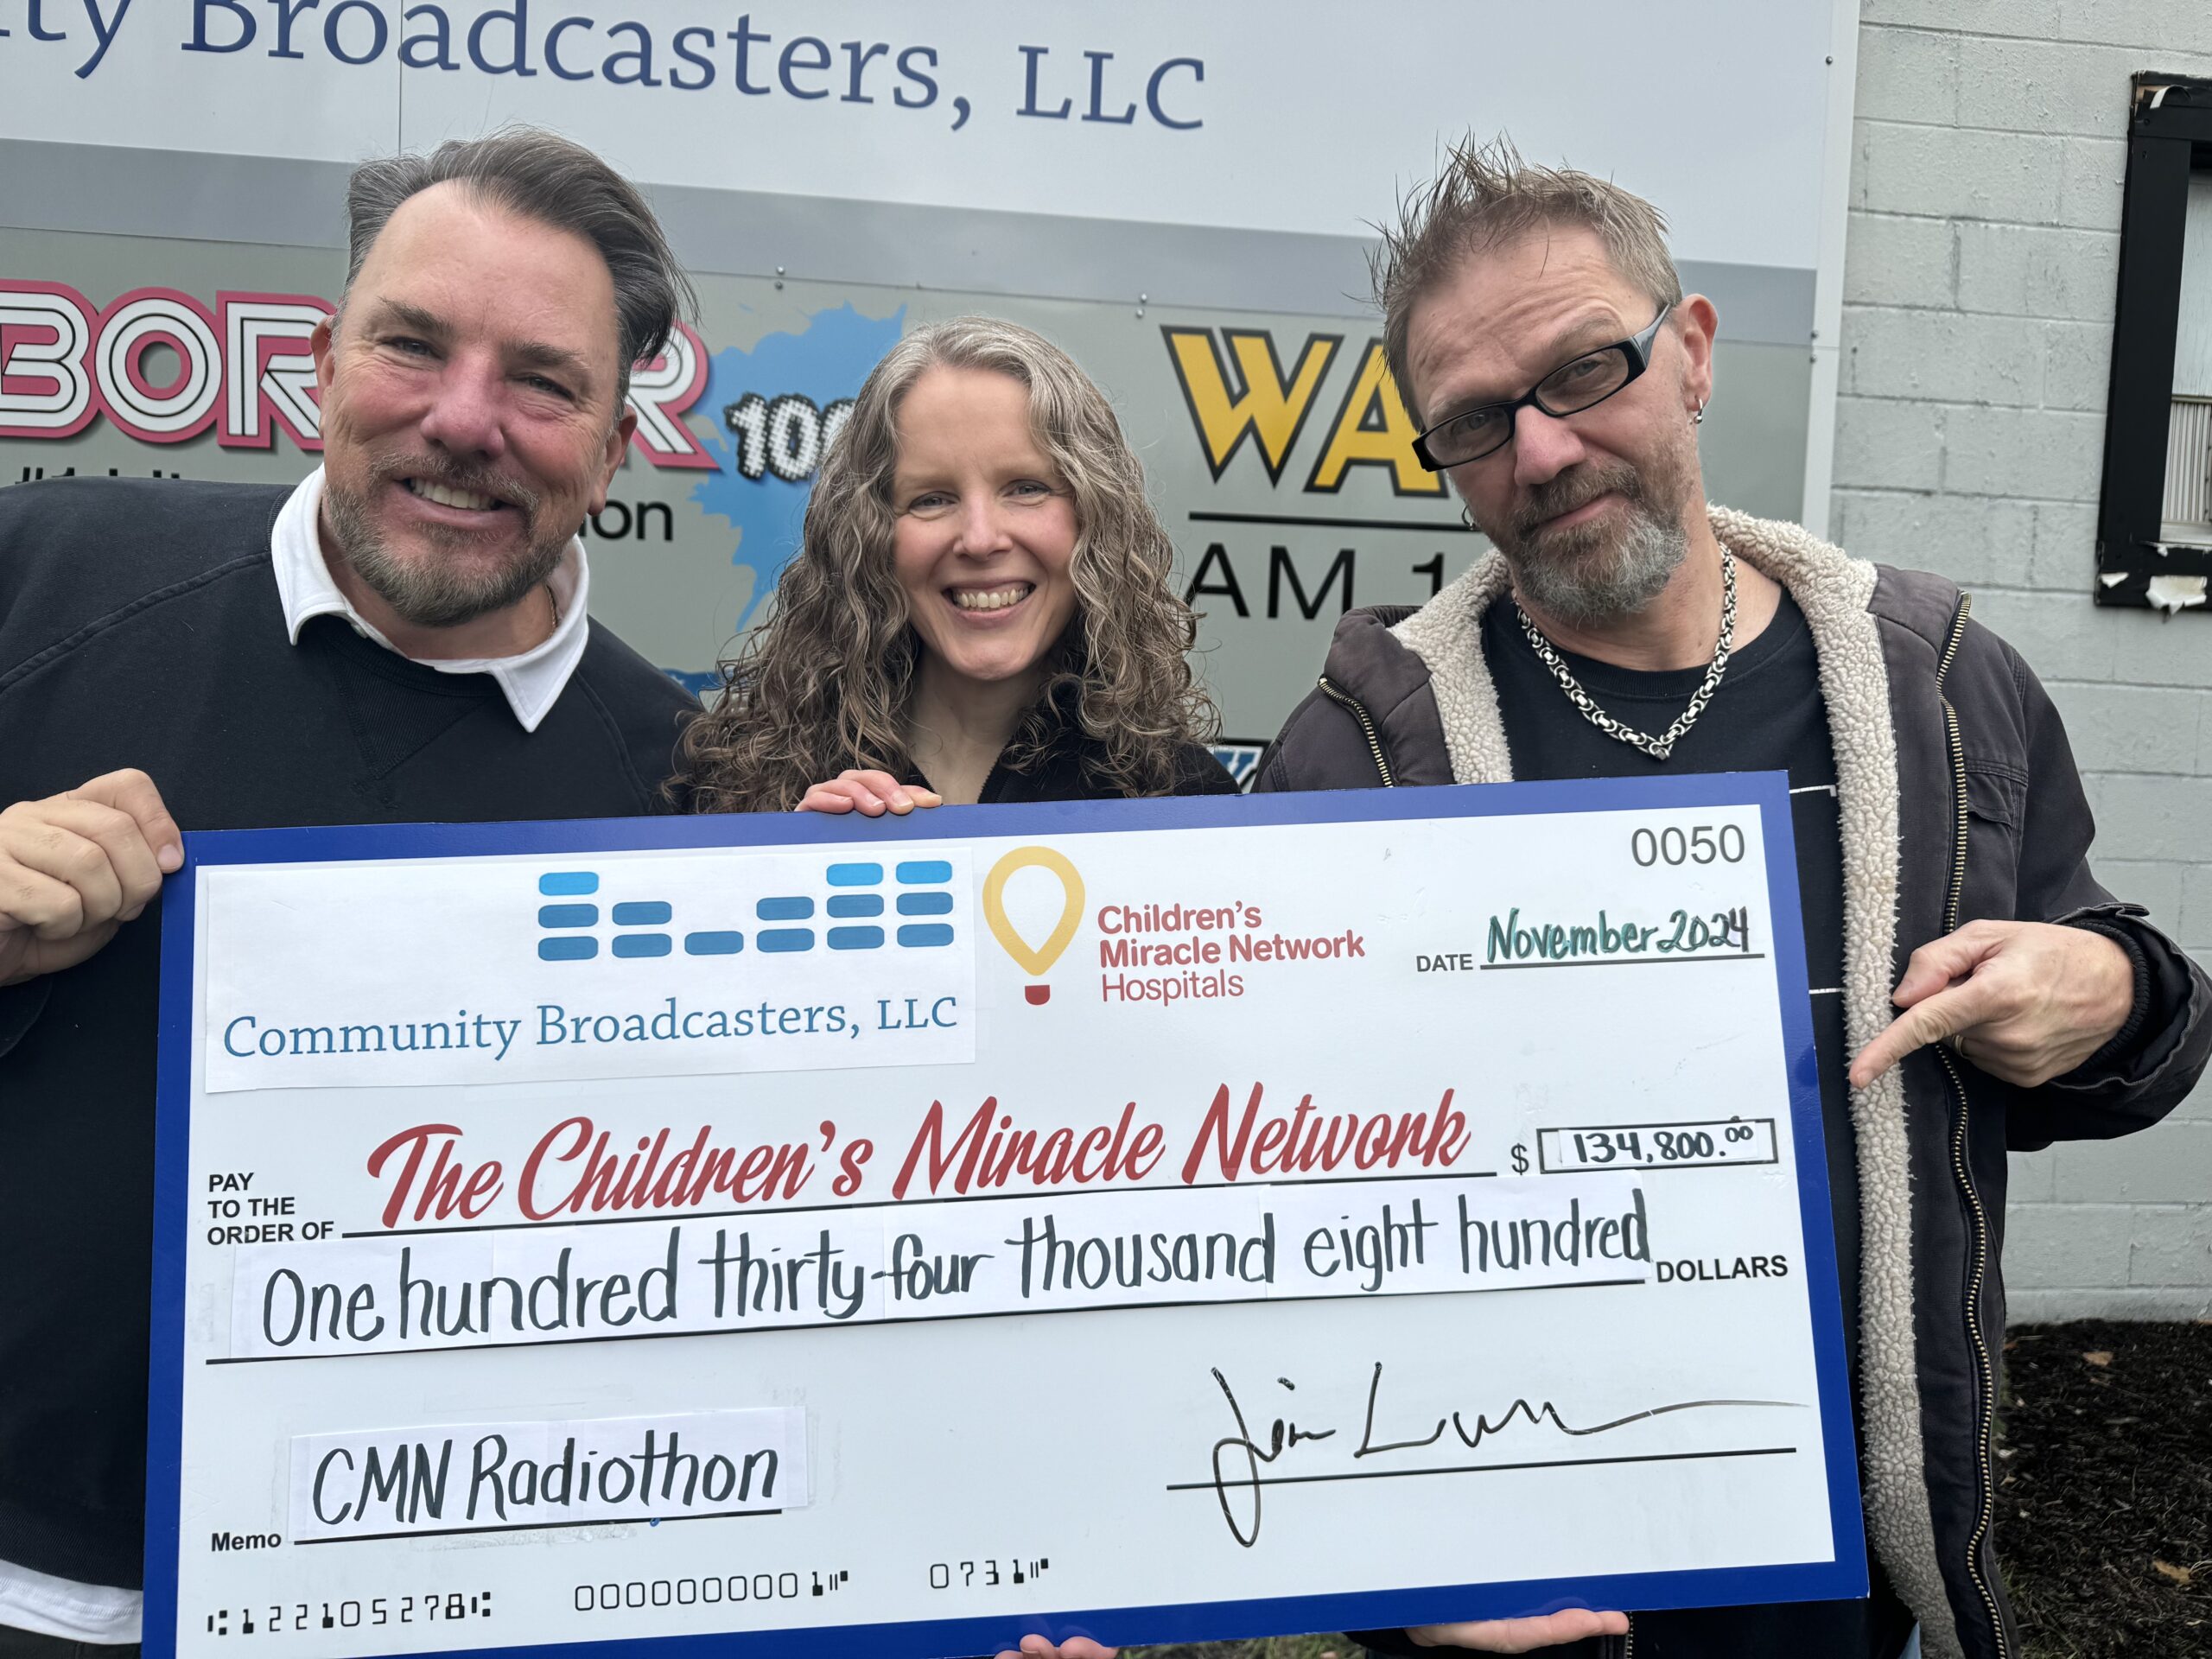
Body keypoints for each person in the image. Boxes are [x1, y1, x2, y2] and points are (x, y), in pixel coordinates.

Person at [1256, 140, 2210, 1659]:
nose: (1545, 450)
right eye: (1478, 424)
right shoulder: (1364, 754)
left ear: (1691, 353)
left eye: (1583, 371)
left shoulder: (1943, 694)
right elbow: (1261, 1214)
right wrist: (1389, 1556)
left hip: (1844, 1593)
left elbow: (2123, 1033)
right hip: (1507, 1588)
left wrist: (2107, 996)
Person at [0, 129, 699, 1649]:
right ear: (319, 362)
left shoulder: (693, 795)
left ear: (617, 444)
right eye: (414, 345)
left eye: (541, 379)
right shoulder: (38, 573)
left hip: (413, 1605)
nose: (466, 421)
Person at [680, 315, 1236, 814]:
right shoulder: (736, 788)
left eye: (1026, 488)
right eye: (931, 499)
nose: (979, 538)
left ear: (1095, 516)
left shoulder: (1185, 802)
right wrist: (787, 868)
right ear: (868, 537)